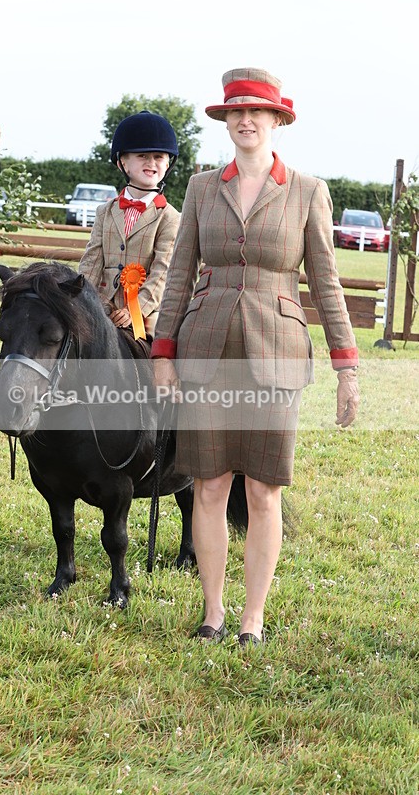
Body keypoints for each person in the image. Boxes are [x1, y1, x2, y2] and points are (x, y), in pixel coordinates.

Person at [151, 68, 360, 646]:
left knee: (264, 490)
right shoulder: (200, 188)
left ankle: (253, 619)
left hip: (278, 353)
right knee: (210, 486)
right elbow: (178, 277)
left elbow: (326, 282)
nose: (245, 120)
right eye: (235, 112)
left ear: (277, 120)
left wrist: (346, 367)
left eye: (256, 111)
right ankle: (213, 613)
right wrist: (163, 353)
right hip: (206, 349)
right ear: (226, 121)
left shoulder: (308, 192)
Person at [79, 111, 180, 338]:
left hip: (146, 313)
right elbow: (92, 262)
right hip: (102, 306)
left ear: (167, 163)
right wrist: (82, 299)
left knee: (161, 346)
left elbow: (162, 272)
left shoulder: (170, 218)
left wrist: (136, 310)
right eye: (142, 156)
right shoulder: (105, 212)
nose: (151, 163)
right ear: (122, 162)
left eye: (158, 157)